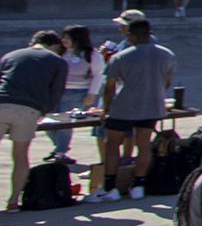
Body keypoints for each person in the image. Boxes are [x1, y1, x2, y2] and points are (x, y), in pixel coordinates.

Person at [96, 11, 175, 203]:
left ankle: (110, 187)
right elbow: (166, 82)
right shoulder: (166, 54)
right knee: (144, 144)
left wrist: (106, 109)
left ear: (130, 35)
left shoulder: (121, 57)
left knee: (112, 144)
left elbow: (109, 87)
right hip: (152, 106)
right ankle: (138, 185)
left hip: (124, 106)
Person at [1, 31, 68, 213]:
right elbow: (56, 93)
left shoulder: (10, 55)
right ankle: (13, 202)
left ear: (33, 42)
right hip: (29, 109)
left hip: (1, 103)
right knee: (20, 156)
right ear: (54, 45)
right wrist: (44, 110)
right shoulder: (57, 61)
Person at [53, 25, 103, 159]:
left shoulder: (91, 54)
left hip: (76, 93)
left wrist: (91, 94)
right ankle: (59, 146)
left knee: (65, 123)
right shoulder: (59, 52)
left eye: (67, 38)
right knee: (49, 121)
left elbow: (98, 75)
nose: (63, 40)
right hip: (56, 92)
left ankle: (60, 153)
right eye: (62, 37)